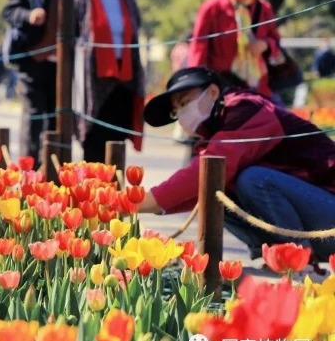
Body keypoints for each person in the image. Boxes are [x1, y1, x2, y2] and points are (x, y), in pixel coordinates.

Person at [139, 66, 335, 262]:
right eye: (176, 111)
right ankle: (275, 258)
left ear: (213, 92)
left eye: (185, 102)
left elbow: (211, 166)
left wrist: (140, 202)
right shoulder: (215, 130)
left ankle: (299, 261)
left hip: (329, 214)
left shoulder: (247, 109)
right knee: (218, 191)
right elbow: (202, 187)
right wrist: (153, 205)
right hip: (317, 219)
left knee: (254, 179)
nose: (181, 113)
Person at [3, 0, 92, 167]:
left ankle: (54, 170)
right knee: (34, 115)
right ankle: (28, 169)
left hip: (67, 63)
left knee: (60, 116)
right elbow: (10, 10)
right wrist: (29, 15)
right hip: (34, 60)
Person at [74, 0, 145, 163]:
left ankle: (115, 192)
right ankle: (91, 193)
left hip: (124, 75)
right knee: (95, 135)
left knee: (117, 134)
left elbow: (135, 30)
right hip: (93, 77)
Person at [187, 0, 282, 98]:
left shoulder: (263, 8)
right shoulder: (212, 7)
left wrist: (264, 44)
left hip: (258, 86)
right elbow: (199, 48)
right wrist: (196, 84)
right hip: (222, 87)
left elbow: (275, 40)